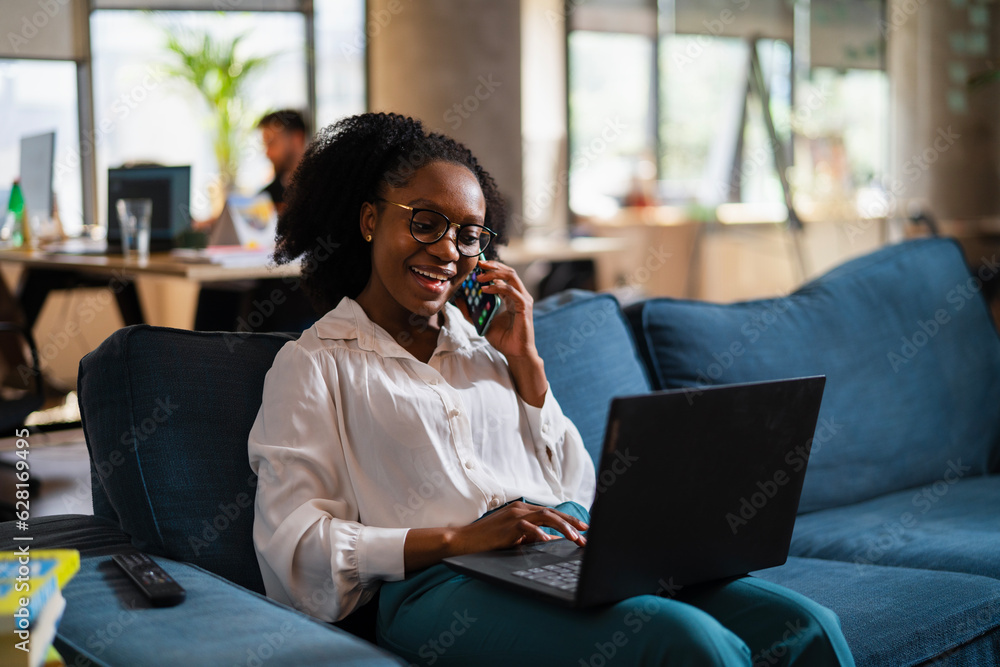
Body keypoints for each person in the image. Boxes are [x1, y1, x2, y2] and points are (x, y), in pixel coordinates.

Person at [248, 112, 856, 666]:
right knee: (686, 645)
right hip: (441, 587)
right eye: (425, 223)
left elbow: (579, 492)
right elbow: (296, 552)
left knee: (807, 626)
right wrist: (460, 538)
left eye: (469, 234)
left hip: (569, 555)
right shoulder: (315, 365)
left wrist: (527, 365)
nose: (448, 250)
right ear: (369, 219)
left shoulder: (491, 350)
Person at [256, 109, 308, 212]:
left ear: (297, 139)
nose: (267, 153)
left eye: (271, 143)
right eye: (265, 145)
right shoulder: (266, 199)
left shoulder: (325, 187)